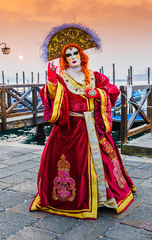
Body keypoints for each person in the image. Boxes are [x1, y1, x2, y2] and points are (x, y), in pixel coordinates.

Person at [29, 24, 136, 219]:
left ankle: (104, 197)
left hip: (94, 126)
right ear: (64, 59)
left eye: (75, 52)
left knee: (105, 160)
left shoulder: (95, 77)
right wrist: (52, 81)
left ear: (82, 54)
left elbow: (112, 90)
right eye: (68, 55)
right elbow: (50, 97)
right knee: (73, 164)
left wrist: (99, 93)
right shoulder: (62, 79)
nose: (72, 57)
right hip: (71, 129)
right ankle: (76, 199)